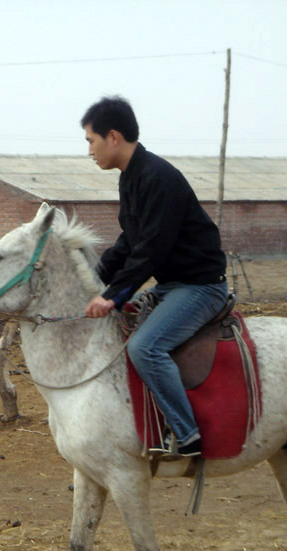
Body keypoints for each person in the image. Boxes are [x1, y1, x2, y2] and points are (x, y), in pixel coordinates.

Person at [81, 96, 228, 458]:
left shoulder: (157, 178)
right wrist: (92, 279)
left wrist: (113, 295)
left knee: (144, 347)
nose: (89, 150)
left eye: (90, 141)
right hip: (172, 286)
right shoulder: (132, 178)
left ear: (112, 136)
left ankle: (188, 434)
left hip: (199, 287)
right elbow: (129, 241)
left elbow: (152, 250)